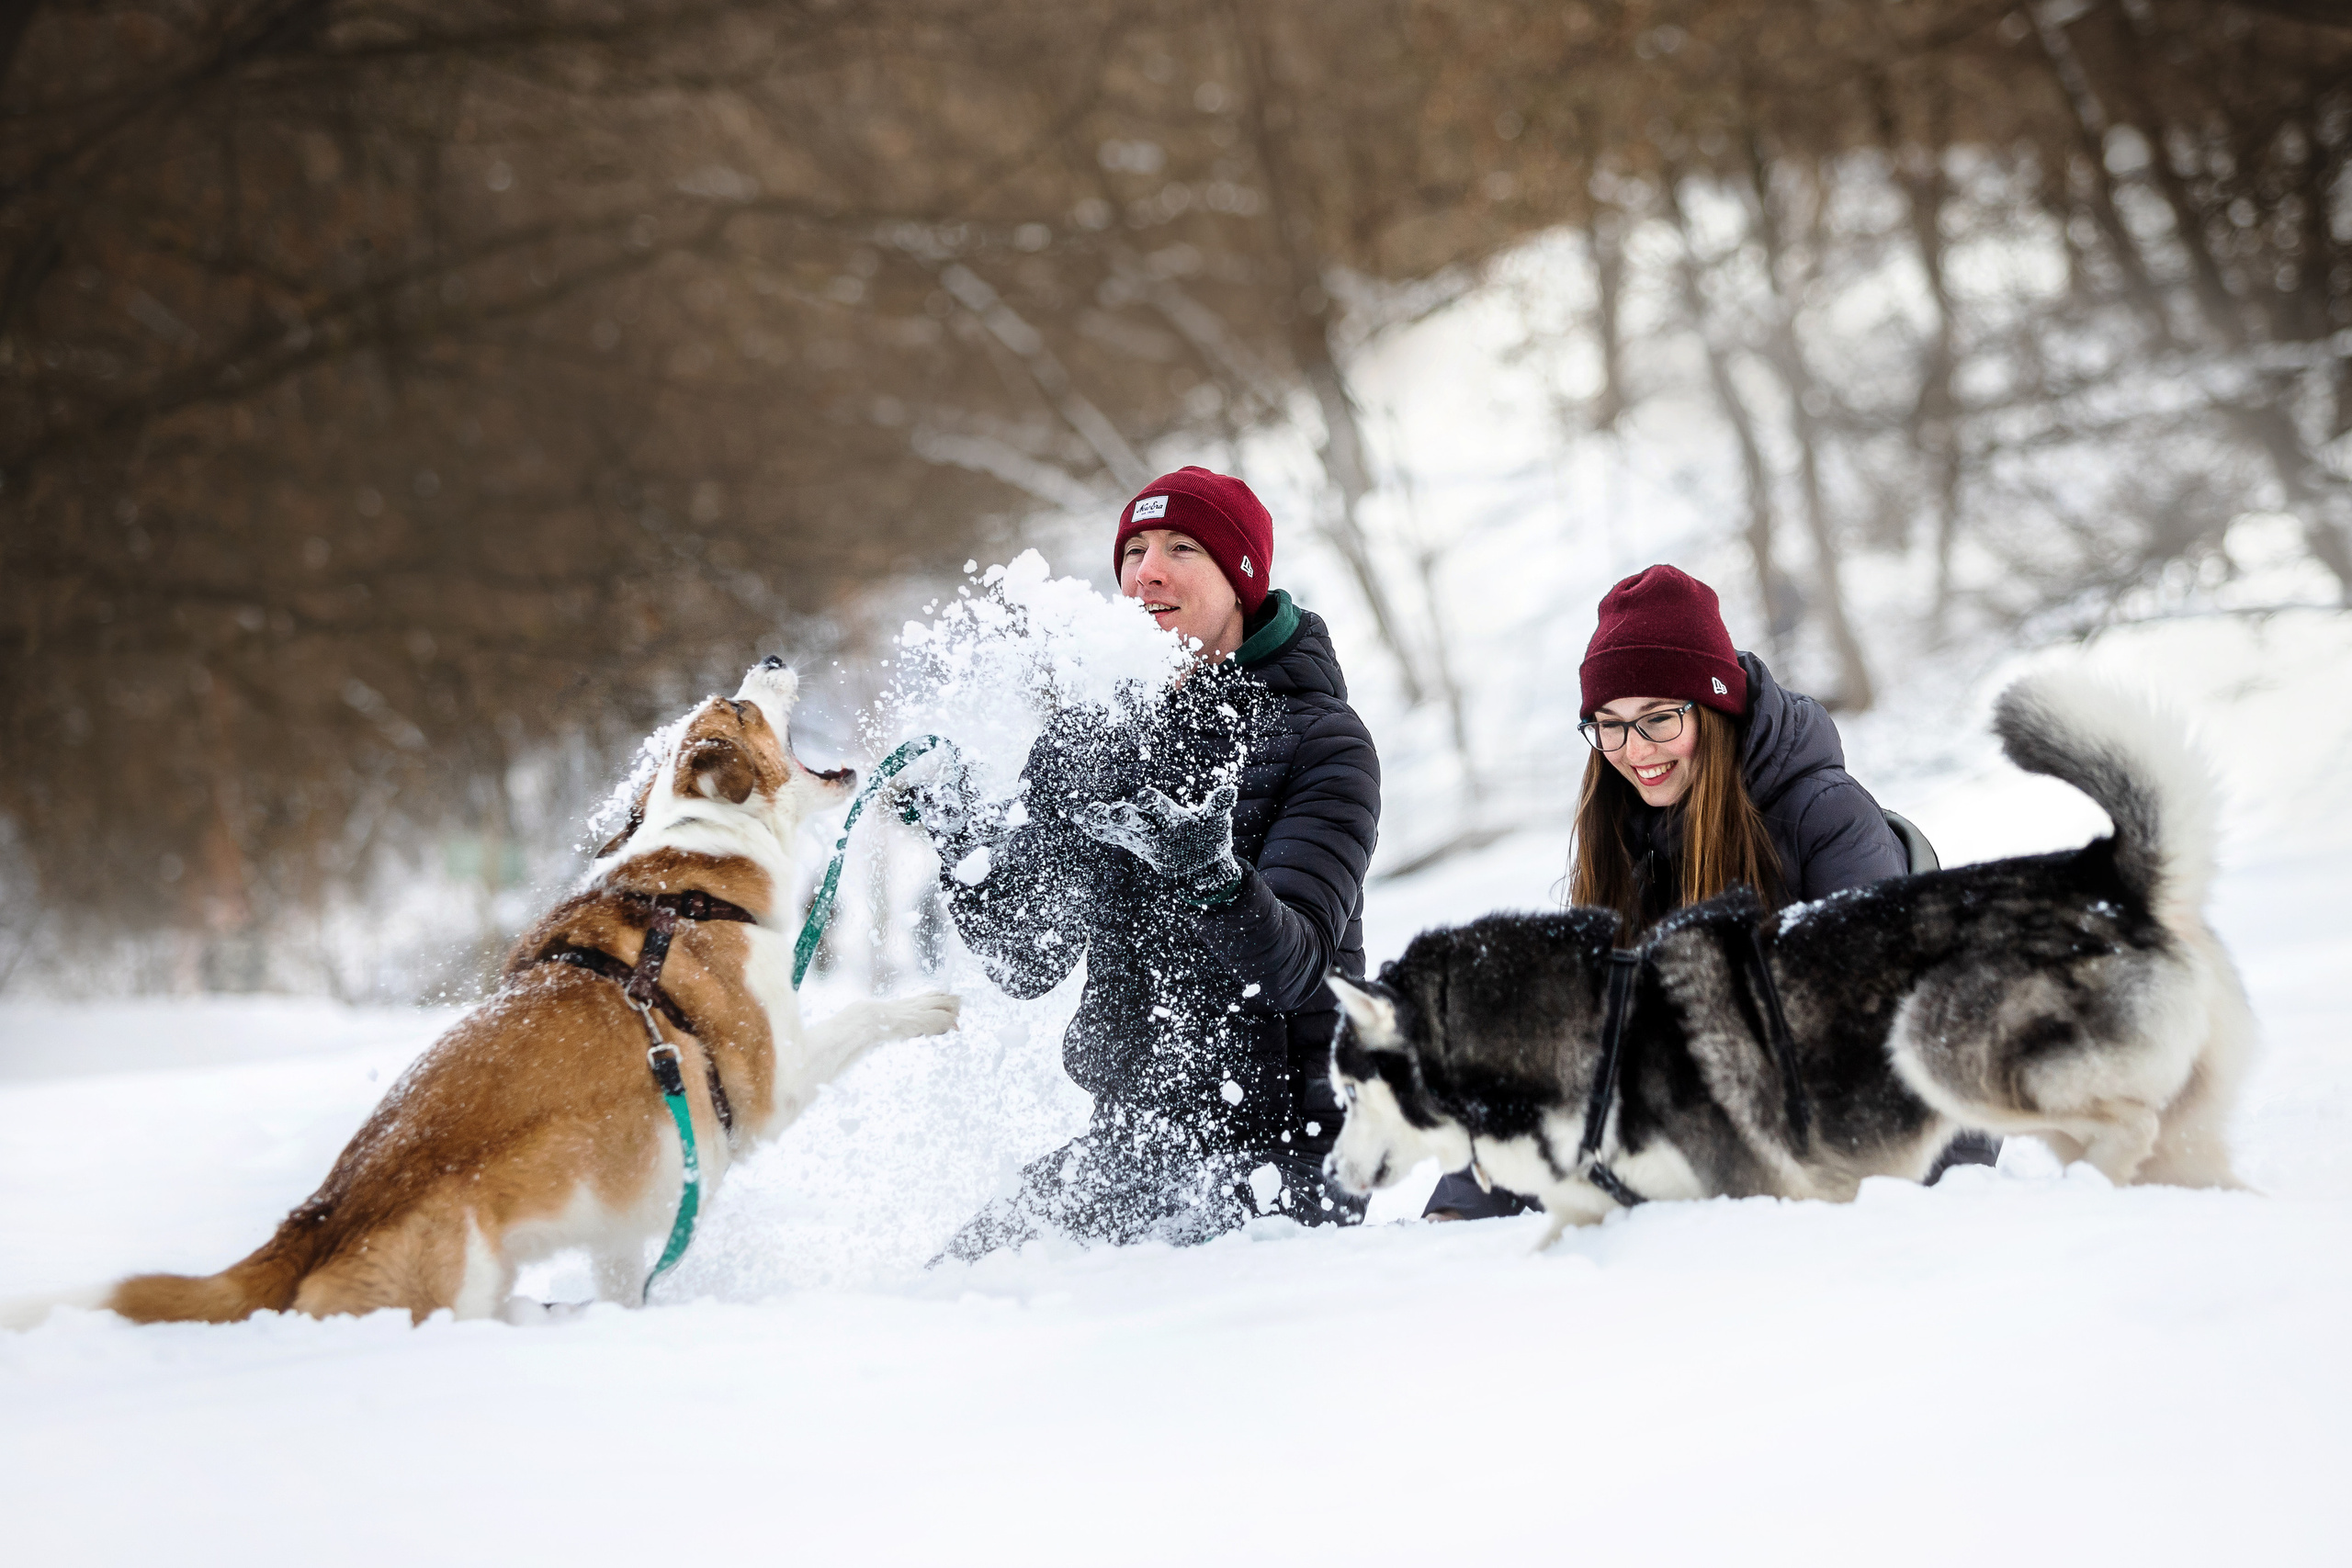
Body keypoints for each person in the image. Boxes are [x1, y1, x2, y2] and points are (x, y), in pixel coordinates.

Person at [907, 466, 1382, 1256]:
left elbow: (1295, 971)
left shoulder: (1322, 740)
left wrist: (1210, 876)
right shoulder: (1091, 737)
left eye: (1181, 547)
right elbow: (1028, 956)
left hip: (1288, 1157)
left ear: (1242, 580)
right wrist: (960, 839)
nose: (1145, 571)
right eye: (1133, 550)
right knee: (953, 1285)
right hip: (1131, 1145)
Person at [1426, 563, 1993, 1221]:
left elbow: (1881, 1032)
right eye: (1609, 723)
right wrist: (1465, 1203)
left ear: (1716, 705)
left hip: (1899, 1159)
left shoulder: (1825, 815)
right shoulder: (1626, 840)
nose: (1635, 749)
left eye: (1659, 719)